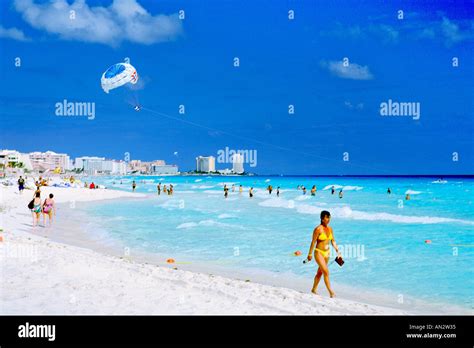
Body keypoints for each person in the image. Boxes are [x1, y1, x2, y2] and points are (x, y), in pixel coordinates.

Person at [306, 210, 341, 298]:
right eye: (327, 217)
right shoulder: (318, 229)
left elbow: (333, 241)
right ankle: (331, 292)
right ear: (322, 218)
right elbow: (313, 242)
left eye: (329, 217)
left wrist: (338, 251)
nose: (328, 219)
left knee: (320, 273)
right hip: (319, 252)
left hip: (327, 253)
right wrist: (309, 254)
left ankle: (313, 289)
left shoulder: (330, 229)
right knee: (326, 272)